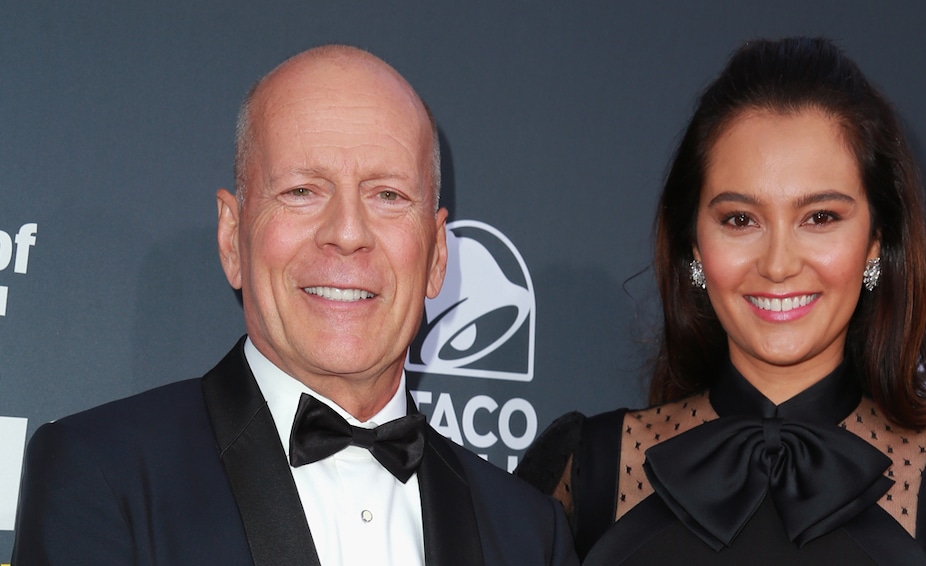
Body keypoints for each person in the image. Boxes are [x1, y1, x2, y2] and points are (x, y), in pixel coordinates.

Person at [13, 45, 577, 566]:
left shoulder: (531, 535)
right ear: (232, 238)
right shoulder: (102, 478)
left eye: (388, 195)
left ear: (435, 257)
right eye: (302, 191)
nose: (348, 233)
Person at [515, 37, 926, 565]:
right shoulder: (585, 472)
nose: (778, 264)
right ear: (694, 246)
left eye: (820, 217)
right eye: (740, 220)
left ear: (876, 242)